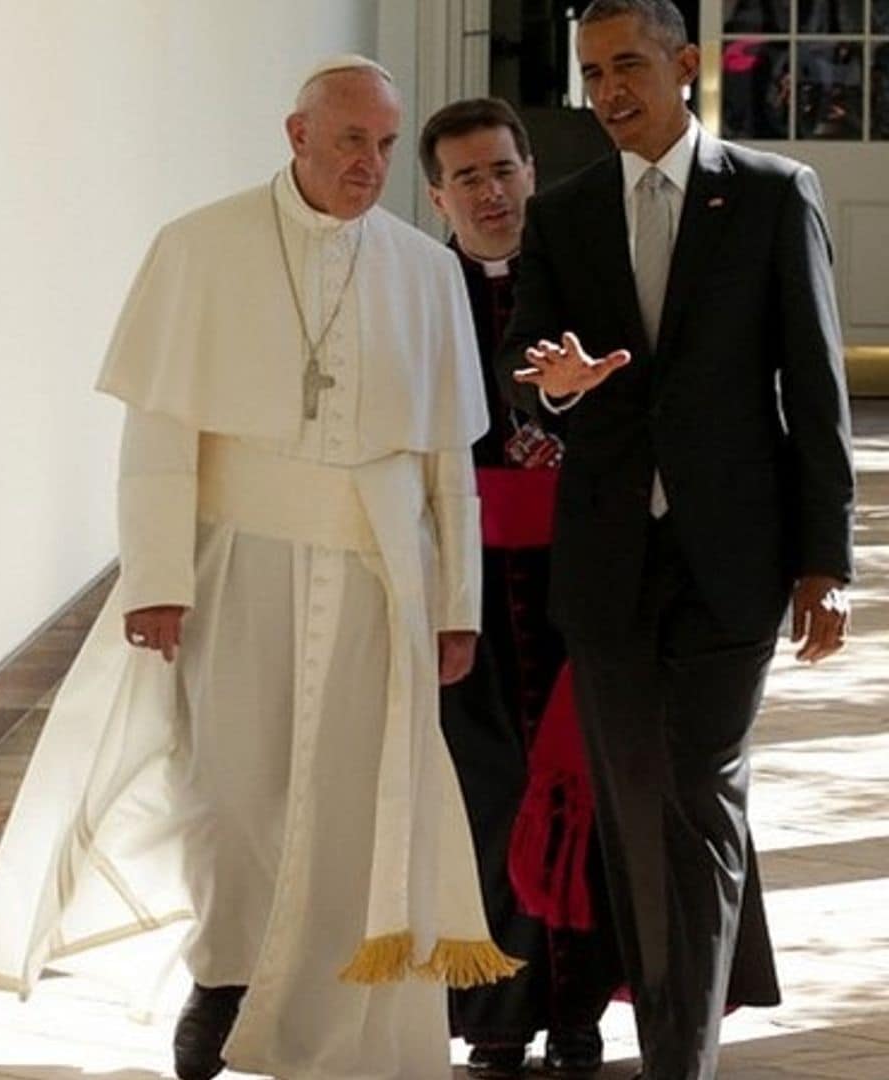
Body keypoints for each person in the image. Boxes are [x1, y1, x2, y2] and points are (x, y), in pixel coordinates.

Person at [0, 55, 516, 1080]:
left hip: (381, 575)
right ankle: (225, 980)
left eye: (388, 145)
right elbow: (161, 430)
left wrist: (457, 607)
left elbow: (449, 462)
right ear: (297, 134)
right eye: (352, 140)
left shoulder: (425, 269)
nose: (371, 164)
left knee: (364, 796)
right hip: (240, 561)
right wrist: (158, 578)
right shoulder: (199, 247)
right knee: (229, 788)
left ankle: (345, 1012)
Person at [496, 2, 852, 1075]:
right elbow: (532, 367)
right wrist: (555, 389)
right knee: (633, 809)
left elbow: (817, 388)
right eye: (591, 71)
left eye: (628, 67)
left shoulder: (773, 194)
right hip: (607, 567)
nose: (607, 90)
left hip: (732, 564)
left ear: (685, 66)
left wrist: (825, 562)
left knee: (697, 799)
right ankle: (670, 1030)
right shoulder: (561, 216)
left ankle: (674, 1057)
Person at [421, 96, 621, 1078]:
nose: (490, 193)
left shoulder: (588, 273)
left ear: (531, 172)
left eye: (503, 169)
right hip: (462, 587)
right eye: (467, 177)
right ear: (438, 194)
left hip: (579, 578)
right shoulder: (416, 290)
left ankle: (579, 1016)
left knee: (581, 794)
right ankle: (496, 1021)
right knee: (487, 801)